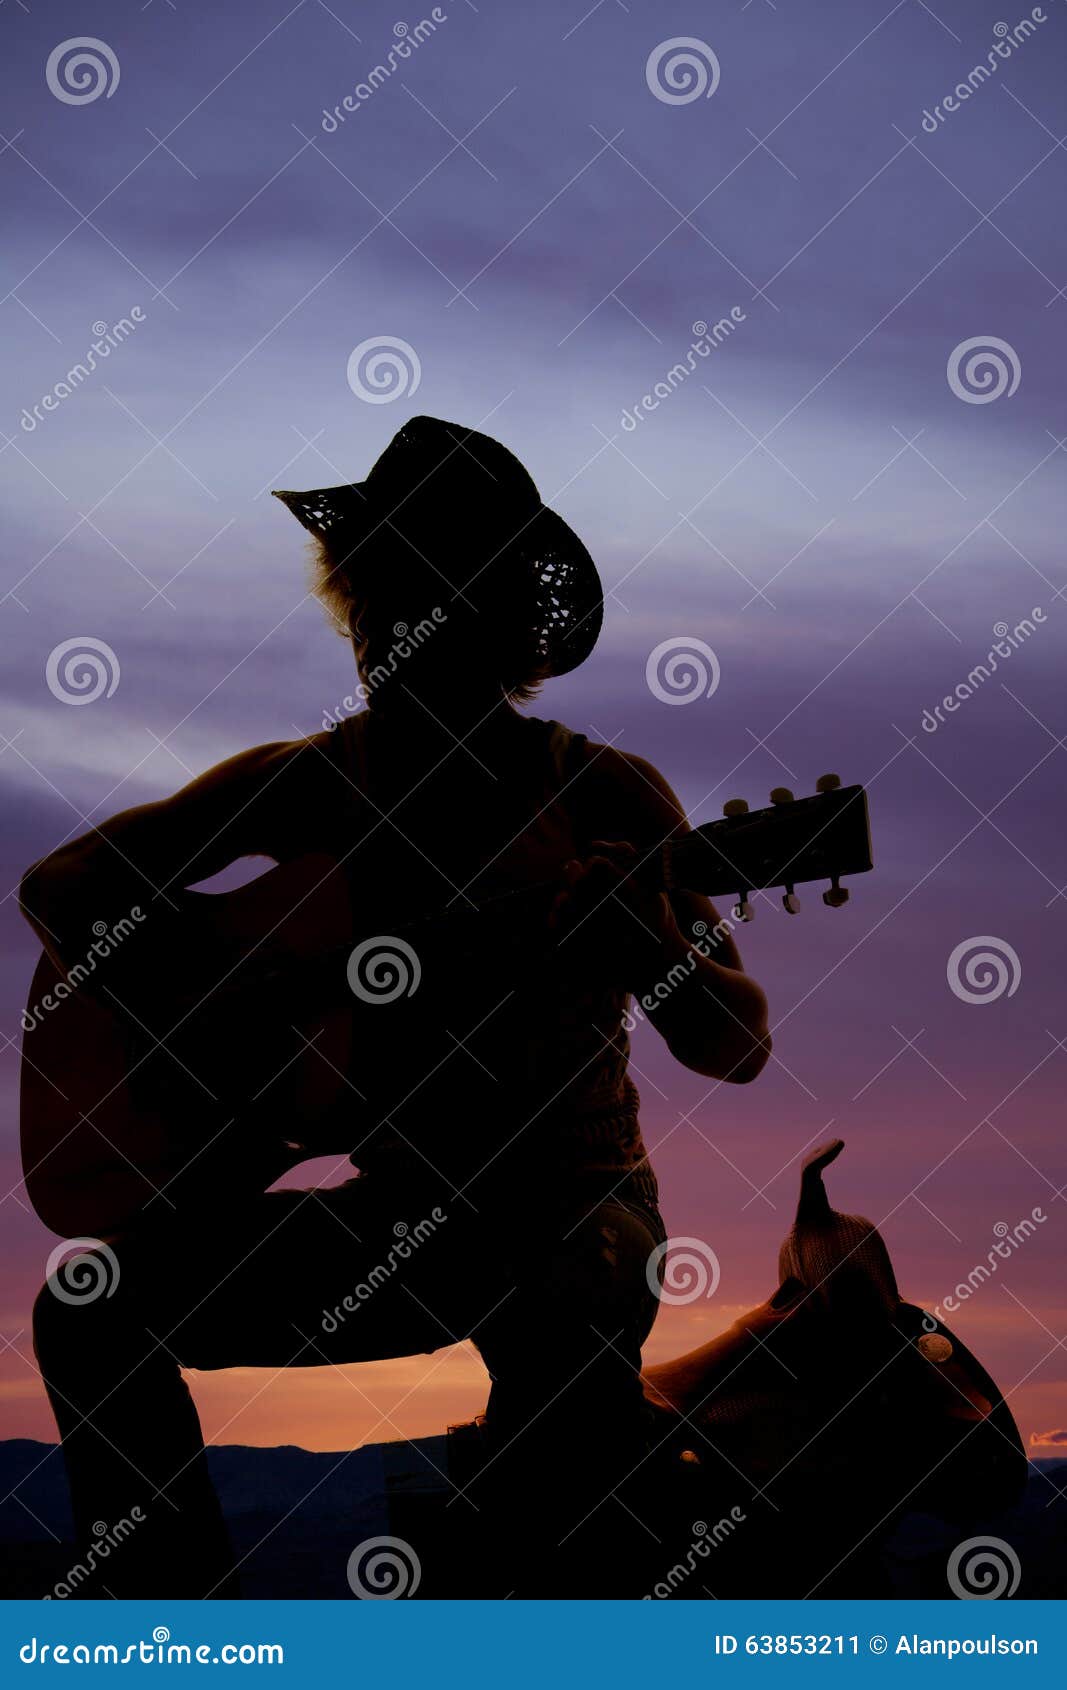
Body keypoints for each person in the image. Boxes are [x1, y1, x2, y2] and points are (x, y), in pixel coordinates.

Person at [22, 416, 770, 1597]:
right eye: (367, 588)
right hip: (409, 1212)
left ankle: (544, 1585)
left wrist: (652, 946)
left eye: (411, 585)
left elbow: (736, 1045)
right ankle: (169, 1638)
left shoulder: (601, 797)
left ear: (481, 612)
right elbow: (60, 886)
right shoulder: (314, 781)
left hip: (575, 1208)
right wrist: (219, 994)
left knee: (555, 1374)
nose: (378, 622)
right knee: (89, 1305)